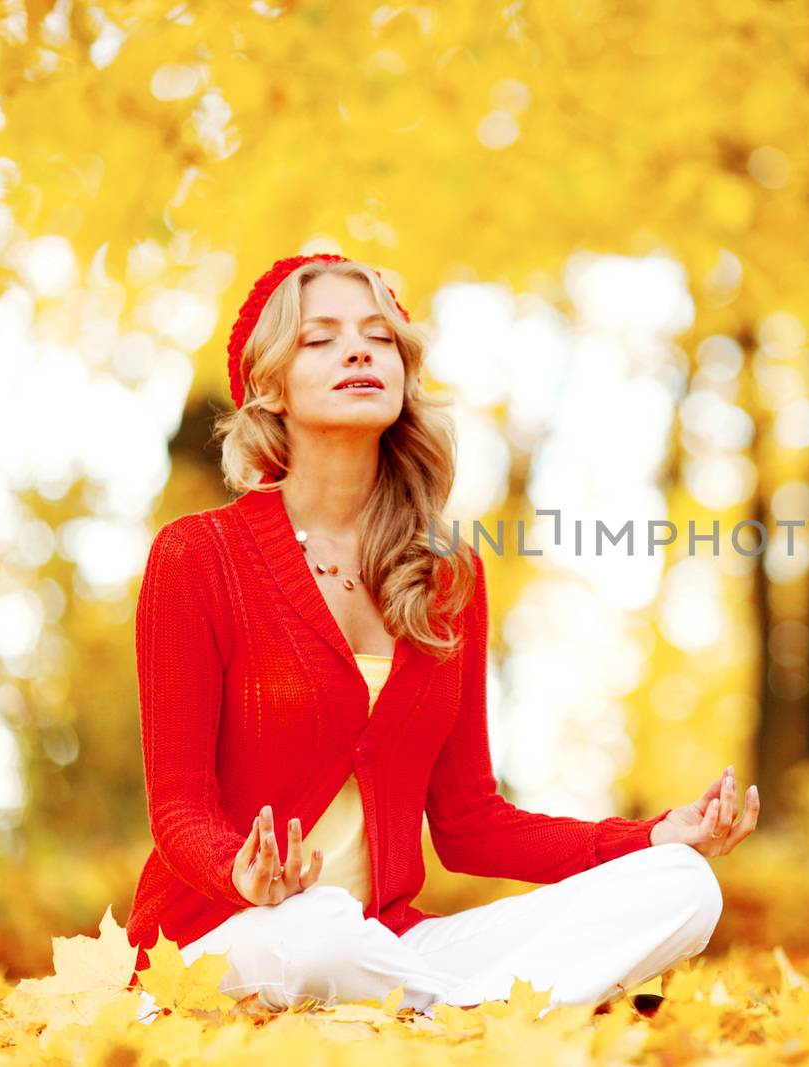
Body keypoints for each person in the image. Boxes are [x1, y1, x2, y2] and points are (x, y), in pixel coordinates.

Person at [125, 253, 760, 1021]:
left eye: (379, 337)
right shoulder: (199, 555)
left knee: (682, 884)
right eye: (321, 339)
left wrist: (655, 832)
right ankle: (479, 1017)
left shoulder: (446, 573)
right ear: (270, 385)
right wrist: (243, 874)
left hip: (383, 947)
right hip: (231, 938)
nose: (359, 351)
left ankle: (444, 1012)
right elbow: (179, 808)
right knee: (318, 929)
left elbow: (469, 824)